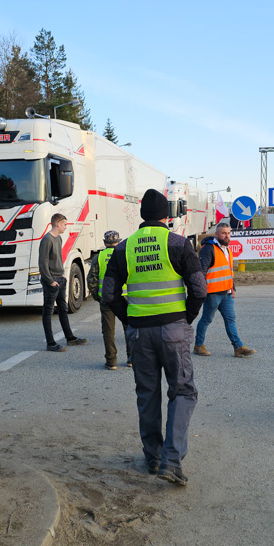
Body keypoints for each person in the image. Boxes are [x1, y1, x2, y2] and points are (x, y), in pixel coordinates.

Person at [103, 189, 207, 486]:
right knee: (183, 392)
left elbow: (109, 294)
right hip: (173, 329)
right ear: (167, 216)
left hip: (139, 333)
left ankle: (153, 458)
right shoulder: (178, 243)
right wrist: (185, 318)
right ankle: (171, 462)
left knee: (147, 395)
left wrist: (130, 320)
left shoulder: (123, 248)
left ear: (141, 216)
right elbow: (199, 289)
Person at [193, 223, 255, 358]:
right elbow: (202, 271)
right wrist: (202, 291)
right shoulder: (208, 249)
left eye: (228, 233)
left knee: (230, 319)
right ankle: (198, 346)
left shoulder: (227, 250)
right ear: (216, 234)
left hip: (226, 293)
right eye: (223, 233)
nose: (227, 236)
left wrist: (233, 288)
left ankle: (238, 347)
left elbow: (228, 272)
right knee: (206, 319)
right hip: (213, 293)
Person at [39, 213, 88, 352]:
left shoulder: (58, 238)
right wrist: (50, 281)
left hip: (59, 278)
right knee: (48, 311)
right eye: (65, 224)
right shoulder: (47, 239)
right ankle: (50, 343)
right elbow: (43, 263)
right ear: (58, 224)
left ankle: (70, 338)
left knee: (63, 308)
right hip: (51, 280)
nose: (66, 227)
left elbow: (58, 259)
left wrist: (62, 275)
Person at [87, 230, 131, 370]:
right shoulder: (126, 255)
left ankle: (111, 361)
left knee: (108, 330)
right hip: (125, 297)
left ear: (105, 243)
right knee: (129, 327)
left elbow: (91, 280)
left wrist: (97, 296)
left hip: (107, 298)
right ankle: (132, 359)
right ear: (119, 242)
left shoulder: (98, 258)